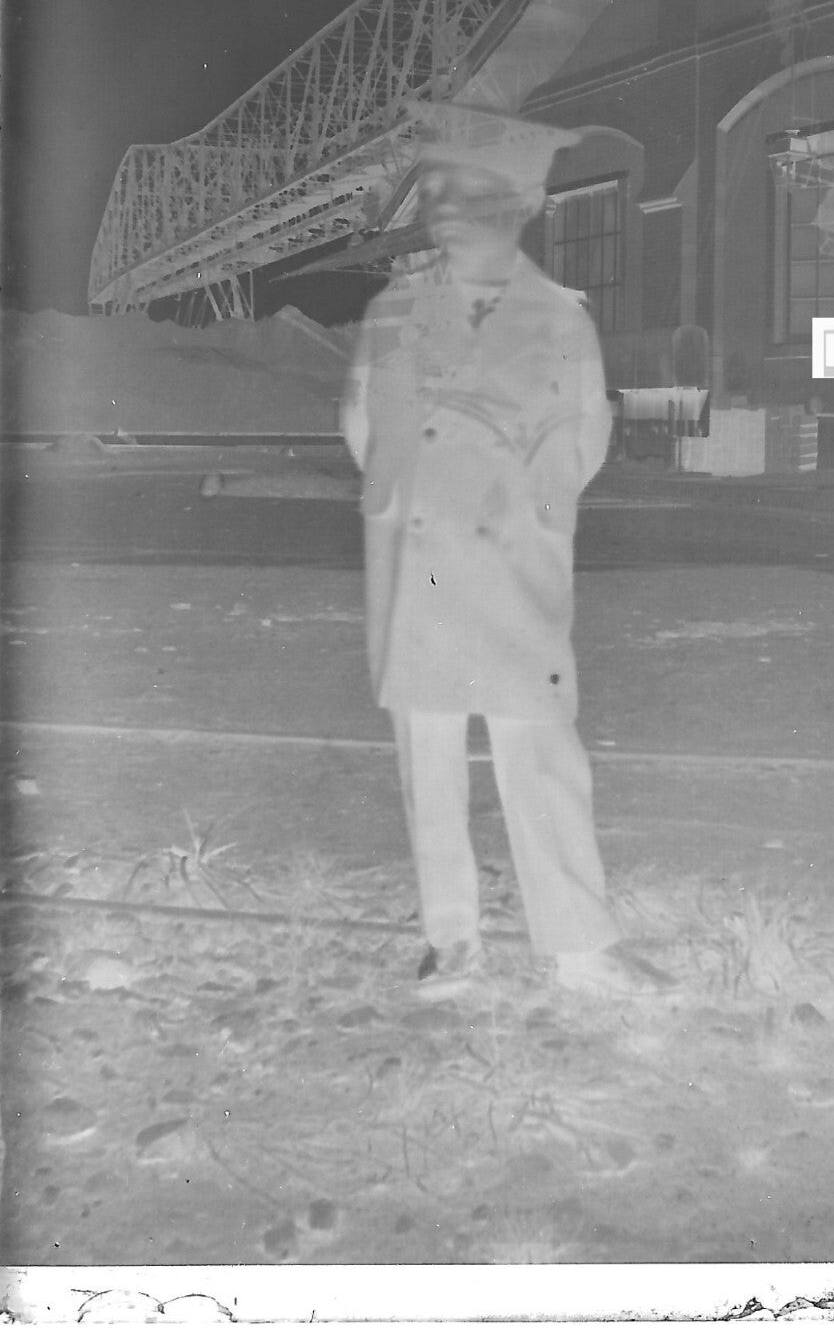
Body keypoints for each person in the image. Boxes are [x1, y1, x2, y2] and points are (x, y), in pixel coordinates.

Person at [341, 101, 669, 999]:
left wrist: (512, 503)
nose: (444, 203)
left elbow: (580, 444)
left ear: (523, 202)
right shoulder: (393, 308)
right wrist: (429, 501)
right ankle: (452, 939)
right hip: (419, 563)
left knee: (540, 747)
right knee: (429, 754)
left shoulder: (561, 319)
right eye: (436, 185)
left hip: (513, 564)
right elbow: (365, 427)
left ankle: (577, 947)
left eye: (471, 189)